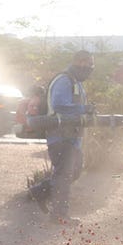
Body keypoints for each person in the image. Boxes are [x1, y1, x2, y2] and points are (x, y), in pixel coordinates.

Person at [28, 50, 94, 225]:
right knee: (64, 176)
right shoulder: (64, 80)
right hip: (61, 137)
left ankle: (40, 191)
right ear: (78, 62)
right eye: (88, 64)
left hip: (73, 138)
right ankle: (59, 216)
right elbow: (59, 105)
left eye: (91, 65)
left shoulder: (76, 82)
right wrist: (84, 109)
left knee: (73, 171)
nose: (90, 68)